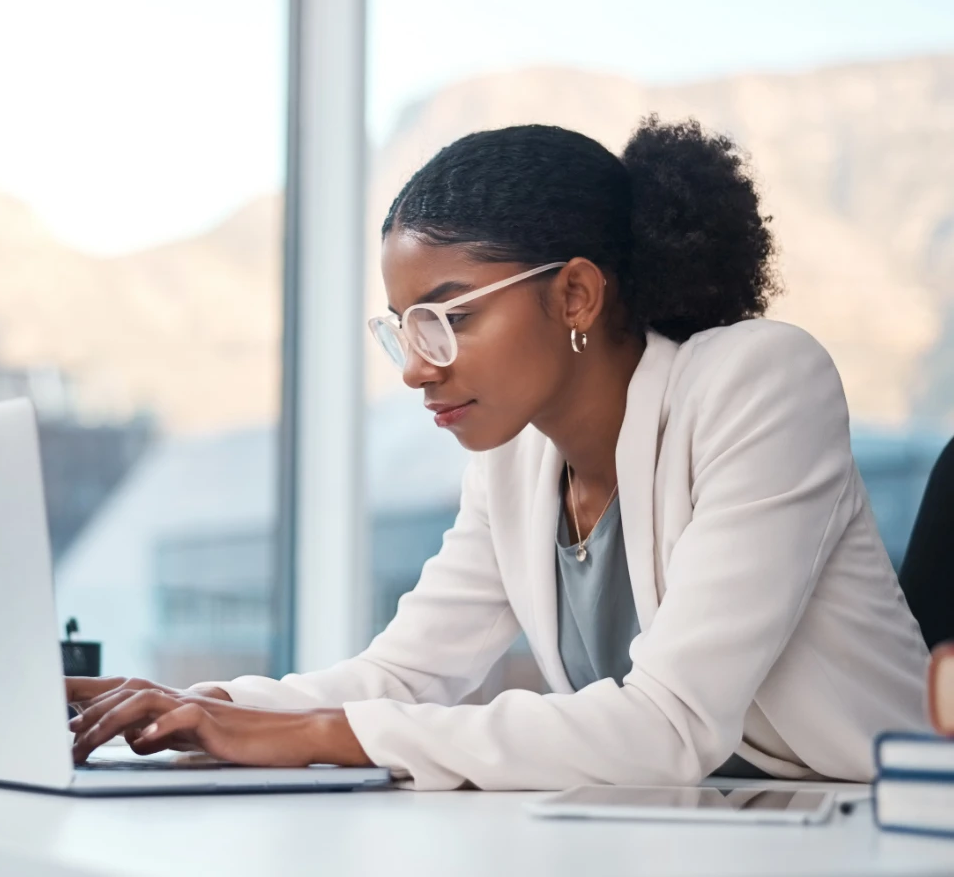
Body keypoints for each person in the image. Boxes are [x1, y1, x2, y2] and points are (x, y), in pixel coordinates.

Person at [67, 117, 929, 790]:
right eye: (402, 329)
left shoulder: (762, 382)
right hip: (686, 832)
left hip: (869, 832)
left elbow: (670, 724)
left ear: (577, 294)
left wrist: (316, 735)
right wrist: (196, 707)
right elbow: (405, 674)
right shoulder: (515, 459)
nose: (414, 367)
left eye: (450, 318)